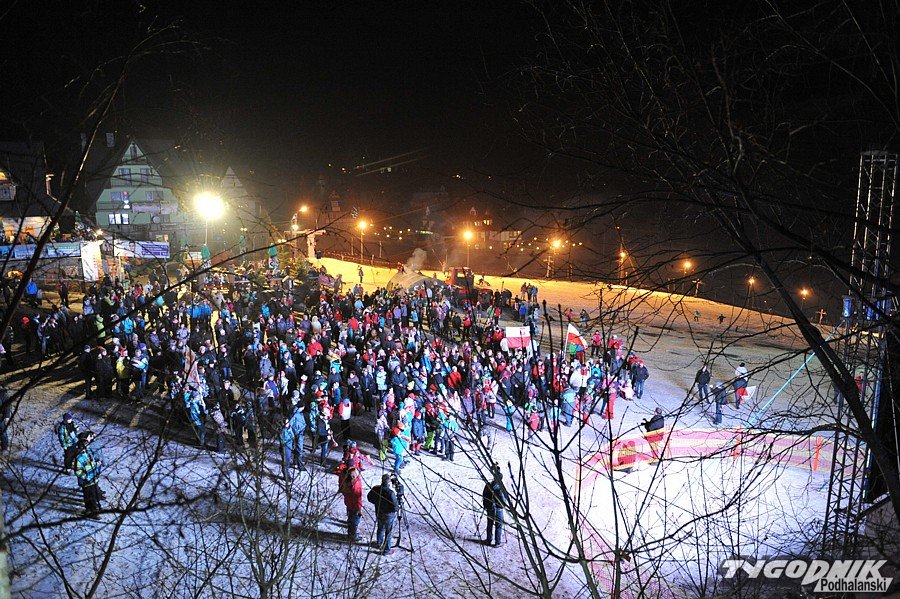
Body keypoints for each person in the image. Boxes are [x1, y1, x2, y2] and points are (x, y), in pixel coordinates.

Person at [73, 430, 103, 517]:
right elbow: (78, 472)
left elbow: (92, 463)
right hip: (86, 481)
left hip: (93, 479)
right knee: (88, 497)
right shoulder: (79, 458)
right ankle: (92, 511)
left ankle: (94, 510)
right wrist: (86, 477)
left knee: (93, 496)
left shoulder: (88, 454)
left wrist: (96, 466)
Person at [367, 473, 399, 555]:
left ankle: (379, 543)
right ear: (389, 482)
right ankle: (387, 550)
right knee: (388, 532)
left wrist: (377, 502)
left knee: (380, 528)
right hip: (388, 515)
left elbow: (369, 498)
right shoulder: (390, 493)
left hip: (379, 512)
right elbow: (395, 507)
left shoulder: (376, 489)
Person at [482, 468, 508, 547]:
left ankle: (488, 540)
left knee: (489, 524)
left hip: (490, 508)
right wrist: (503, 505)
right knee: (498, 525)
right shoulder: (501, 488)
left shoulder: (488, 485)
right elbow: (503, 500)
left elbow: (484, 495)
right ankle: (497, 542)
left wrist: (486, 506)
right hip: (498, 509)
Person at [339, 466, 363, 542]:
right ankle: (352, 536)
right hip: (354, 505)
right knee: (354, 520)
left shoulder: (346, 481)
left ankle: (351, 534)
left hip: (348, 503)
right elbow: (357, 497)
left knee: (351, 518)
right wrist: (359, 508)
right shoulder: (355, 484)